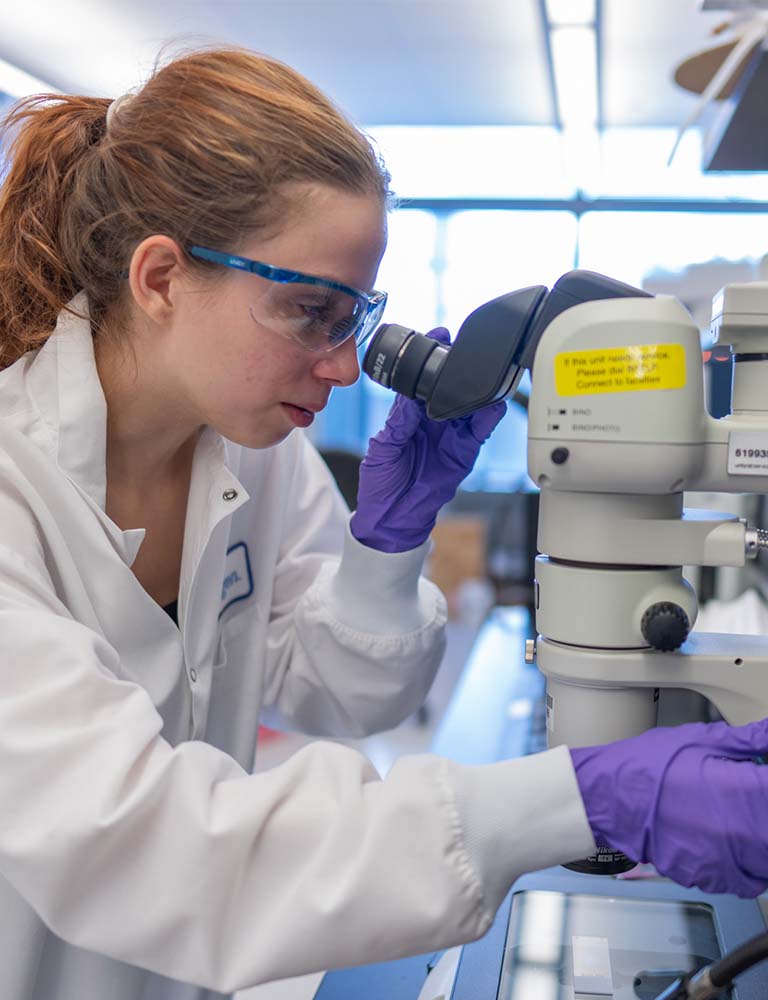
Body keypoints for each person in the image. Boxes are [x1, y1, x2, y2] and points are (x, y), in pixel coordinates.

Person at [0, 44, 767, 1000]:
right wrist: (583, 798)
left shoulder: (251, 449)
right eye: (308, 310)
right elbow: (149, 850)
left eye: (355, 317)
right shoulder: (13, 497)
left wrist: (385, 545)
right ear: (159, 278)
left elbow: (343, 696)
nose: (343, 366)